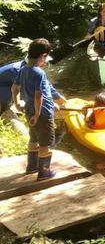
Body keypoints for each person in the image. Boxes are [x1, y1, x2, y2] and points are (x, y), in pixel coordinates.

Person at [12, 38, 67, 180]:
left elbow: (14, 88)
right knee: (45, 143)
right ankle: (44, 172)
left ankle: (31, 167)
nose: (46, 61)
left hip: (29, 111)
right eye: (46, 57)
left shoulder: (23, 69)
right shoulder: (39, 73)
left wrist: (17, 104)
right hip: (41, 114)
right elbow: (38, 95)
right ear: (43, 55)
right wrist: (38, 114)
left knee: (34, 138)